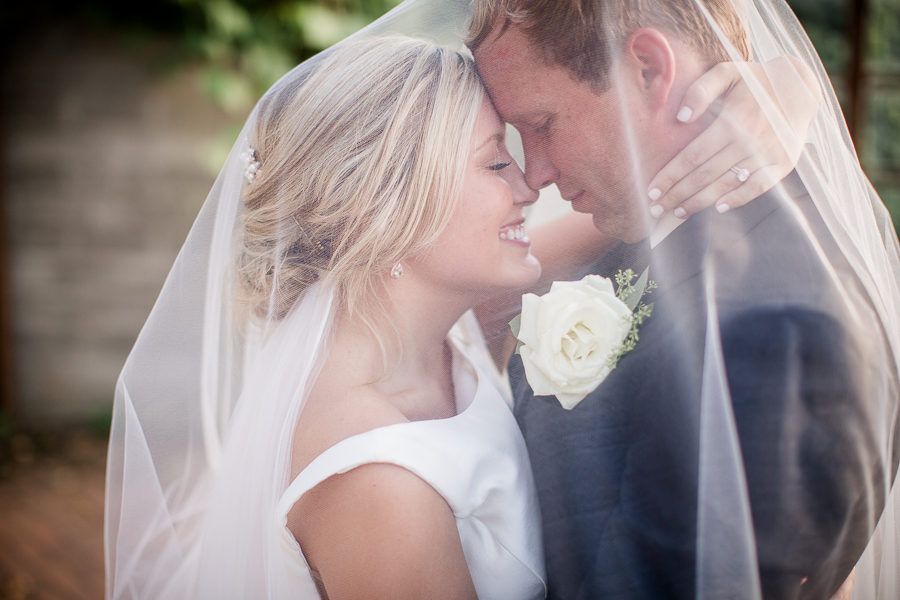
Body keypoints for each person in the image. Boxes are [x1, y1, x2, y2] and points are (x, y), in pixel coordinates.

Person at [104, 2, 848, 599]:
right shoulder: (377, 484)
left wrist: (784, 90)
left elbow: (644, 204)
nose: (533, 186)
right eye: (499, 160)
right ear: (388, 206)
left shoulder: (443, 325)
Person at [469, 1, 900, 599]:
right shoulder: (659, 227)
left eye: (542, 124)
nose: (534, 173)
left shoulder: (781, 332)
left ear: (648, 68)